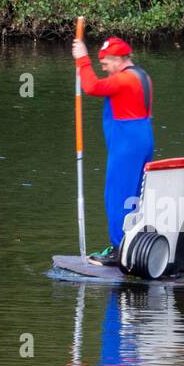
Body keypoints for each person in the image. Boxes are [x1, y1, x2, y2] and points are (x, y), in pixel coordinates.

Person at [72, 35, 156, 266]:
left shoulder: (124, 80)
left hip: (127, 144)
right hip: (142, 138)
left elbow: (91, 87)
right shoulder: (142, 76)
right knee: (134, 197)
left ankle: (119, 249)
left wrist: (82, 60)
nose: (104, 68)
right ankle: (132, 242)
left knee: (117, 196)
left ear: (119, 60)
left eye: (107, 63)